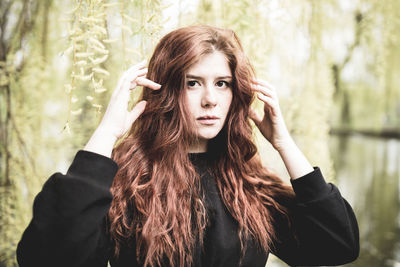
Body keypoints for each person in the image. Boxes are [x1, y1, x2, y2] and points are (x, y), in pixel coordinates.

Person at [17, 25, 359, 267]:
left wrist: (285, 144)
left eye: (222, 84)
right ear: (166, 91)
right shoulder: (126, 181)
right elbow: (48, 256)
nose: (210, 99)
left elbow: (337, 246)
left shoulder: (251, 187)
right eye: (193, 83)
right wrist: (107, 134)